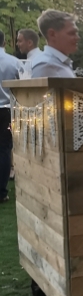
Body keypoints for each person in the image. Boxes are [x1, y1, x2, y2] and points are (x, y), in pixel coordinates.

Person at [0, 30, 19, 202]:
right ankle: (1, 192)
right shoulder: (14, 62)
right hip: (6, 109)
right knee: (4, 150)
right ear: (4, 42)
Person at [32, 10, 79, 78]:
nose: (77, 37)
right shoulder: (46, 65)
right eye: (72, 33)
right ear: (52, 34)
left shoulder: (58, 63)